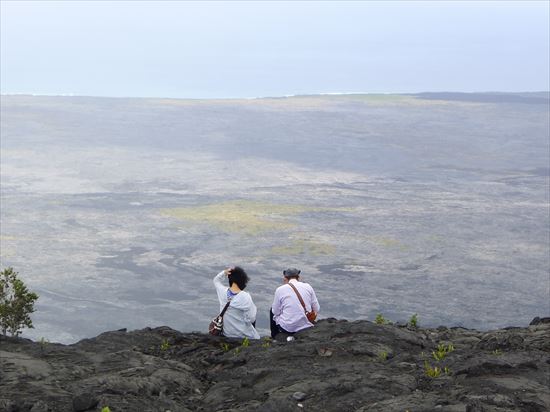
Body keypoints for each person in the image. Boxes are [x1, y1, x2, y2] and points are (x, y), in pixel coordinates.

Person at [270, 268, 320, 339]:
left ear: (285, 278)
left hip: (288, 329)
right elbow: (317, 308)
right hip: (306, 326)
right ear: (298, 277)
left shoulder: (280, 290)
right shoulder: (308, 286)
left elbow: (275, 312)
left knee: (272, 310)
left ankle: (274, 336)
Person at [213, 266, 260, 339]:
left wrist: (224, 272)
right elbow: (252, 319)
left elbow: (216, 280)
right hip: (243, 335)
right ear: (243, 282)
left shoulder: (222, 292)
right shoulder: (245, 297)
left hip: (227, 333)